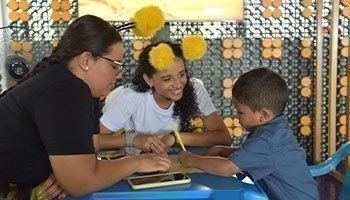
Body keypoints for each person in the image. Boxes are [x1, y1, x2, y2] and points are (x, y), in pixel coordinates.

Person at [0, 15, 171, 199]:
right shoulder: (64, 89)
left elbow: (91, 150)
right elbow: (82, 183)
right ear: (86, 60)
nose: (119, 75)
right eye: (115, 65)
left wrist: (72, 174)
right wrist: (137, 162)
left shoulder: (86, 91)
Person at [178, 68, 319, 200]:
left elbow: (226, 168)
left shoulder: (265, 139)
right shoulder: (277, 128)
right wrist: (221, 150)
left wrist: (190, 159)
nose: (237, 117)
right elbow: (256, 155)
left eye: (240, 111)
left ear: (263, 115)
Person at [97, 41, 231, 154]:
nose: (178, 84)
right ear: (149, 80)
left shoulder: (195, 88)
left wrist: (174, 138)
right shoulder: (131, 97)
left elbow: (223, 138)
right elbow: (94, 140)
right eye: (167, 79)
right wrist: (133, 140)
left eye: (181, 74)